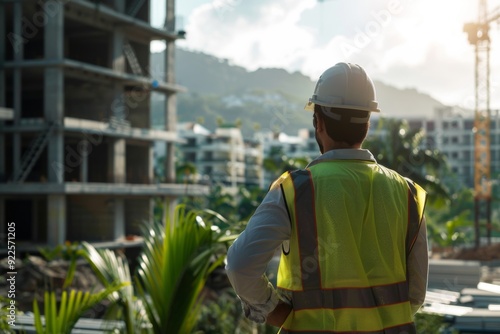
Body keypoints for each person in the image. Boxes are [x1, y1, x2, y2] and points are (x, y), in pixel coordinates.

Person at [225, 62, 428, 333]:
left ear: (318, 122)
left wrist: (273, 310)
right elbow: (415, 295)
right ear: (366, 125)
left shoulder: (296, 190)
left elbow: (240, 266)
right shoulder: (407, 193)